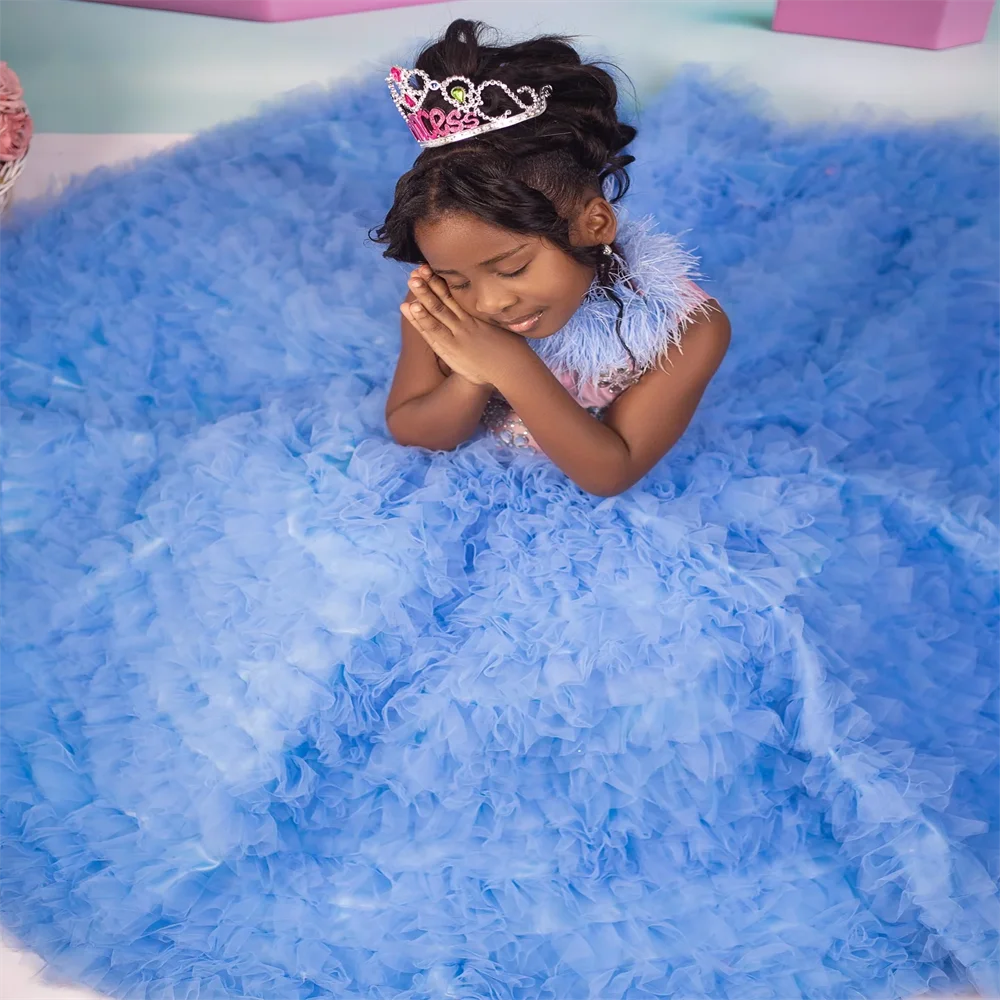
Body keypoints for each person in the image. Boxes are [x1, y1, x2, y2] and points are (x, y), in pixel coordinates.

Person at [374, 19, 731, 495]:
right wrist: (470, 375)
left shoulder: (689, 327)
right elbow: (414, 433)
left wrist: (508, 364)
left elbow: (611, 472)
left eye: (513, 268)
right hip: (472, 491)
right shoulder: (444, 301)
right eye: (458, 279)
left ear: (595, 223)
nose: (488, 302)